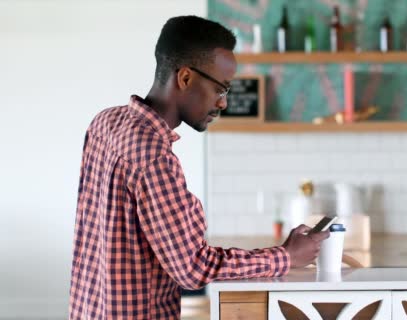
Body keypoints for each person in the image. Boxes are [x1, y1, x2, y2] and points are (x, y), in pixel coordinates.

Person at [69, 16, 329, 319]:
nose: (223, 104)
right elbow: (193, 268)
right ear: (185, 78)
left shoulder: (106, 122)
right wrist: (286, 257)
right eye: (221, 89)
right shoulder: (152, 155)